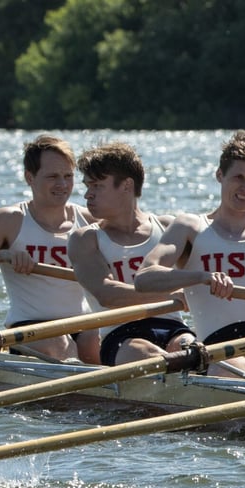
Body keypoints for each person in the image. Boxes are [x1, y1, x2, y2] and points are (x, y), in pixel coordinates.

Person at [134, 130, 245, 383]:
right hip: (217, 348)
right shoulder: (190, 228)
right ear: (220, 175)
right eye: (239, 178)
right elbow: (144, 278)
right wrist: (201, 277)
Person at [0, 134, 100, 363]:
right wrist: (2, 255)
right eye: (52, 176)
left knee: (98, 341)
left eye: (68, 176)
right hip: (29, 329)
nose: (62, 185)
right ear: (29, 177)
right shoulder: (10, 220)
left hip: (83, 327)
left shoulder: (89, 220)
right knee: (61, 344)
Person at [68, 142, 196, 366]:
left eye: (97, 186)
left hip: (174, 328)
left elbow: (209, 271)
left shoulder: (168, 228)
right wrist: (170, 296)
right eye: (88, 186)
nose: (88, 195)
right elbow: (107, 294)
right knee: (155, 357)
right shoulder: (85, 239)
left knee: (193, 350)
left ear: (127, 185)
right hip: (121, 335)